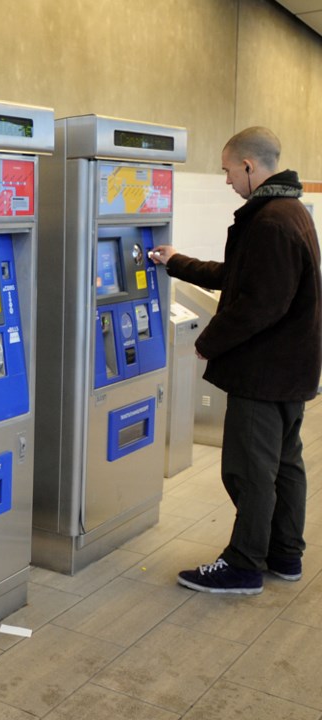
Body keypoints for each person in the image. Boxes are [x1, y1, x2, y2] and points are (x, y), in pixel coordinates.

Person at [150, 126, 321, 595]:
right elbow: (238, 276)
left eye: (228, 170)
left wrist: (209, 341)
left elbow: (258, 305)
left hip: (264, 374)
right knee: (285, 465)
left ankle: (244, 565)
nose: (226, 180)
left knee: (248, 470)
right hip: (292, 370)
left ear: (249, 166)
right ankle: (285, 554)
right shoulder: (290, 212)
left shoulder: (270, 222)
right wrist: (177, 262)